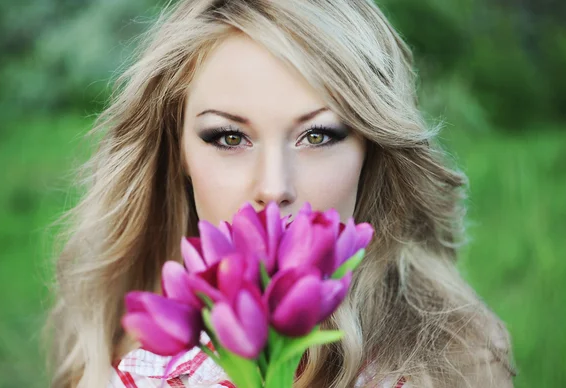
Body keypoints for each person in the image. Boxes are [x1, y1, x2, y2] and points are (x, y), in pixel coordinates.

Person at [44, 0, 518, 387]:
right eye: (229, 137)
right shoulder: (124, 378)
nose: (274, 188)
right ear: (179, 154)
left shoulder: (460, 362)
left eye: (318, 136)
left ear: (371, 151)